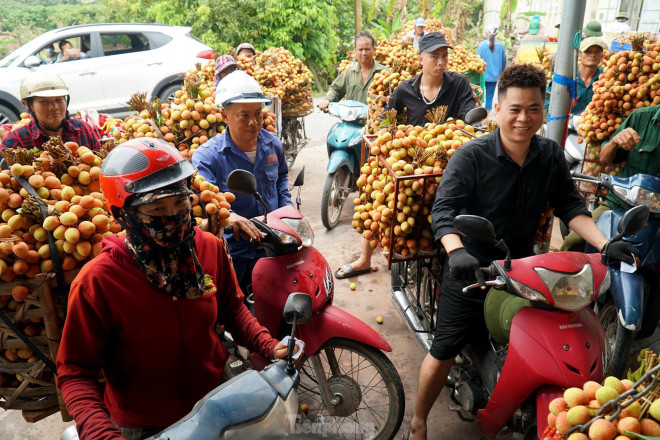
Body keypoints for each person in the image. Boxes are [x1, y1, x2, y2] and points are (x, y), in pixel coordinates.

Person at [407, 64, 638, 440]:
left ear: (543, 111)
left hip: (521, 271)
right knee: (444, 348)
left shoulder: (549, 155)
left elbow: (572, 207)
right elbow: (444, 212)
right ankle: (418, 421)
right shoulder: (471, 157)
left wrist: (605, 244)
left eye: (533, 109)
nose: (523, 118)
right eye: (515, 109)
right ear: (497, 109)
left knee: (547, 332)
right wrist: (456, 252)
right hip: (471, 272)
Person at [56, 138, 295, 440]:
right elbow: (75, 372)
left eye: (181, 203)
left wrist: (267, 344)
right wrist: (101, 433)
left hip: (216, 402)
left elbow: (232, 308)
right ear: (121, 215)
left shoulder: (209, 248)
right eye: (157, 209)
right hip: (142, 425)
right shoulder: (99, 282)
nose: (174, 218)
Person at [335, 32, 476, 279]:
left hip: (446, 162)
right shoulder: (405, 89)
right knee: (379, 193)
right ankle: (365, 259)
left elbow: (469, 114)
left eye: (444, 56)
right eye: (434, 57)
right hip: (410, 162)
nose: (441, 62)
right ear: (421, 58)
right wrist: (389, 132)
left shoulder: (458, 84)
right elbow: (387, 117)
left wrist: (477, 119)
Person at [192, 71, 292, 299]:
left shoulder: (272, 144)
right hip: (235, 251)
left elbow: (283, 179)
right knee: (235, 310)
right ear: (225, 116)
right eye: (243, 115)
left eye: (258, 113)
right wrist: (229, 215)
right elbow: (204, 201)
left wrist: (288, 212)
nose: (254, 122)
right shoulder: (207, 157)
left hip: (274, 244)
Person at [0, 73, 101, 151]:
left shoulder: (82, 129)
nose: (54, 107)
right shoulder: (15, 141)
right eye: (44, 101)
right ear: (29, 105)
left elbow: (101, 166)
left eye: (58, 100)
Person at [318, 31, 386, 111]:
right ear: (355, 51)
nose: (364, 53)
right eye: (360, 50)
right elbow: (335, 89)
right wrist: (327, 100)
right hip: (351, 119)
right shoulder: (349, 72)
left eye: (367, 49)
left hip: (376, 121)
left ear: (374, 50)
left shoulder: (384, 73)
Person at [545, 37, 606, 117]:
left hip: (596, 126)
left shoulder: (605, 76)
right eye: (587, 52)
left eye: (597, 52)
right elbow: (547, 99)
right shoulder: (568, 76)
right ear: (579, 55)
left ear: (602, 56)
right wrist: (567, 119)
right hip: (568, 127)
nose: (592, 55)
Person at [476, 26, 506, 111]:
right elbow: (504, 61)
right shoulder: (501, 45)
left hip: (481, 76)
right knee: (489, 99)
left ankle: (478, 117)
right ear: (496, 33)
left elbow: (477, 59)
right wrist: (502, 73)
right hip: (494, 76)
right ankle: (486, 119)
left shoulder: (482, 45)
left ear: (487, 33)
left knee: (479, 97)